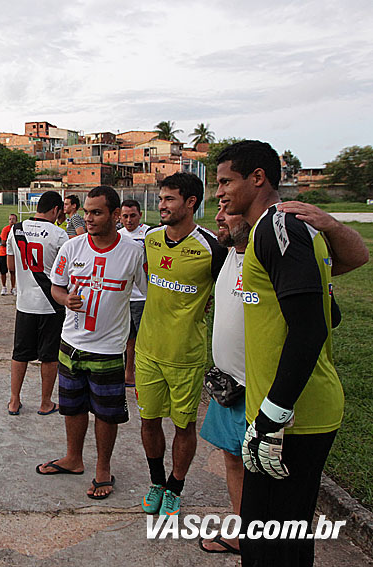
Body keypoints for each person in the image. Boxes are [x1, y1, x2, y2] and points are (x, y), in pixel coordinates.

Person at [215, 140, 368, 567]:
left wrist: (273, 415)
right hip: (283, 410)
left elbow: (311, 327)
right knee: (283, 537)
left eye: (226, 181)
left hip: (294, 417)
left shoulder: (277, 228)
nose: (219, 192)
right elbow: (328, 311)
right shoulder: (272, 231)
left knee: (269, 543)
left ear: (257, 178)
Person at [37, 186, 147, 500]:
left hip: (109, 350)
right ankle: (73, 458)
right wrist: (65, 300)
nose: (88, 218)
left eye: (97, 213)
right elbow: (57, 287)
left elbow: (148, 291)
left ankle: (103, 468)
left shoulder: (133, 252)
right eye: (86, 212)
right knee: (72, 407)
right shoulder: (71, 248)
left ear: (115, 215)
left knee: (106, 413)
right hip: (70, 344)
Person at [136, 172, 227, 517]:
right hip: (148, 349)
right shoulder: (151, 238)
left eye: (169, 199)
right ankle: (156, 482)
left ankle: (175, 487)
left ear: (191, 203)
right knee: (148, 421)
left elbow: (230, 289)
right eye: (160, 199)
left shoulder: (213, 247)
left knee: (183, 425)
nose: (161, 205)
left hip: (185, 355)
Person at [5, 191, 68, 416]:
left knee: (20, 353)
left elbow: (11, 267)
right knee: (49, 356)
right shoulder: (59, 235)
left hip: (24, 304)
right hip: (51, 304)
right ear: (56, 210)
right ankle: (45, 402)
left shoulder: (16, 229)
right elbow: (65, 273)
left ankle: (14, 401)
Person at [117, 199, 149, 387]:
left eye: (133, 216)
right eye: (125, 216)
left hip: (143, 296)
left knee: (143, 339)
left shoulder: (149, 235)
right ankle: (128, 373)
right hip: (123, 297)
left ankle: (144, 374)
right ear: (120, 217)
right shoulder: (118, 236)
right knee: (126, 337)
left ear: (140, 215)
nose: (129, 220)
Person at [0, 214, 18, 295]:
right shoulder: (6, 229)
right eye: (10, 219)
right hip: (4, 253)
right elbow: (3, 242)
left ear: (16, 221)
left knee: (12, 271)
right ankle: (4, 287)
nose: (11, 221)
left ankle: (13, 287)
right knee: (3, 271)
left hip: (13, 253)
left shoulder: (17, 230)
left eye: (13, 219)